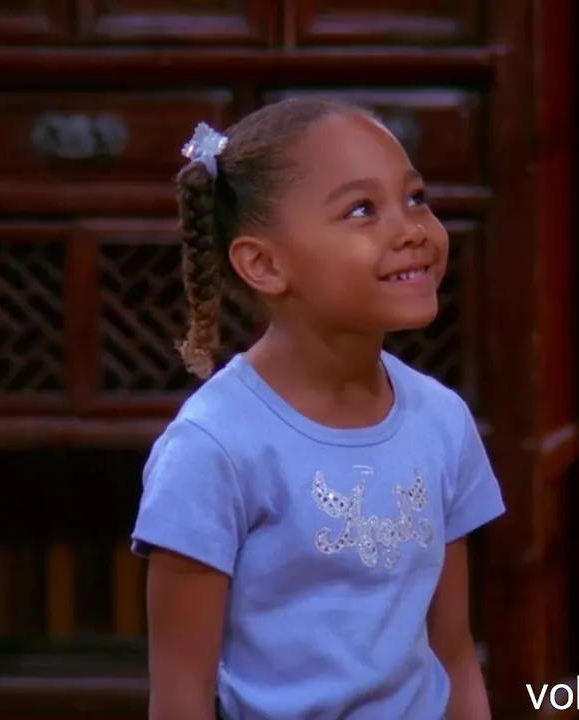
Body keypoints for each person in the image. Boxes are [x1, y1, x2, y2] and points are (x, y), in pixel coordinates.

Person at [131, 98, 505, 720]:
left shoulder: (442, 421)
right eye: (362, 210)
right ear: (264, 264)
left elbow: (455, 654)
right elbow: (180, 698)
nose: (412, 230)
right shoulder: (212, 447)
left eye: (415, 198)